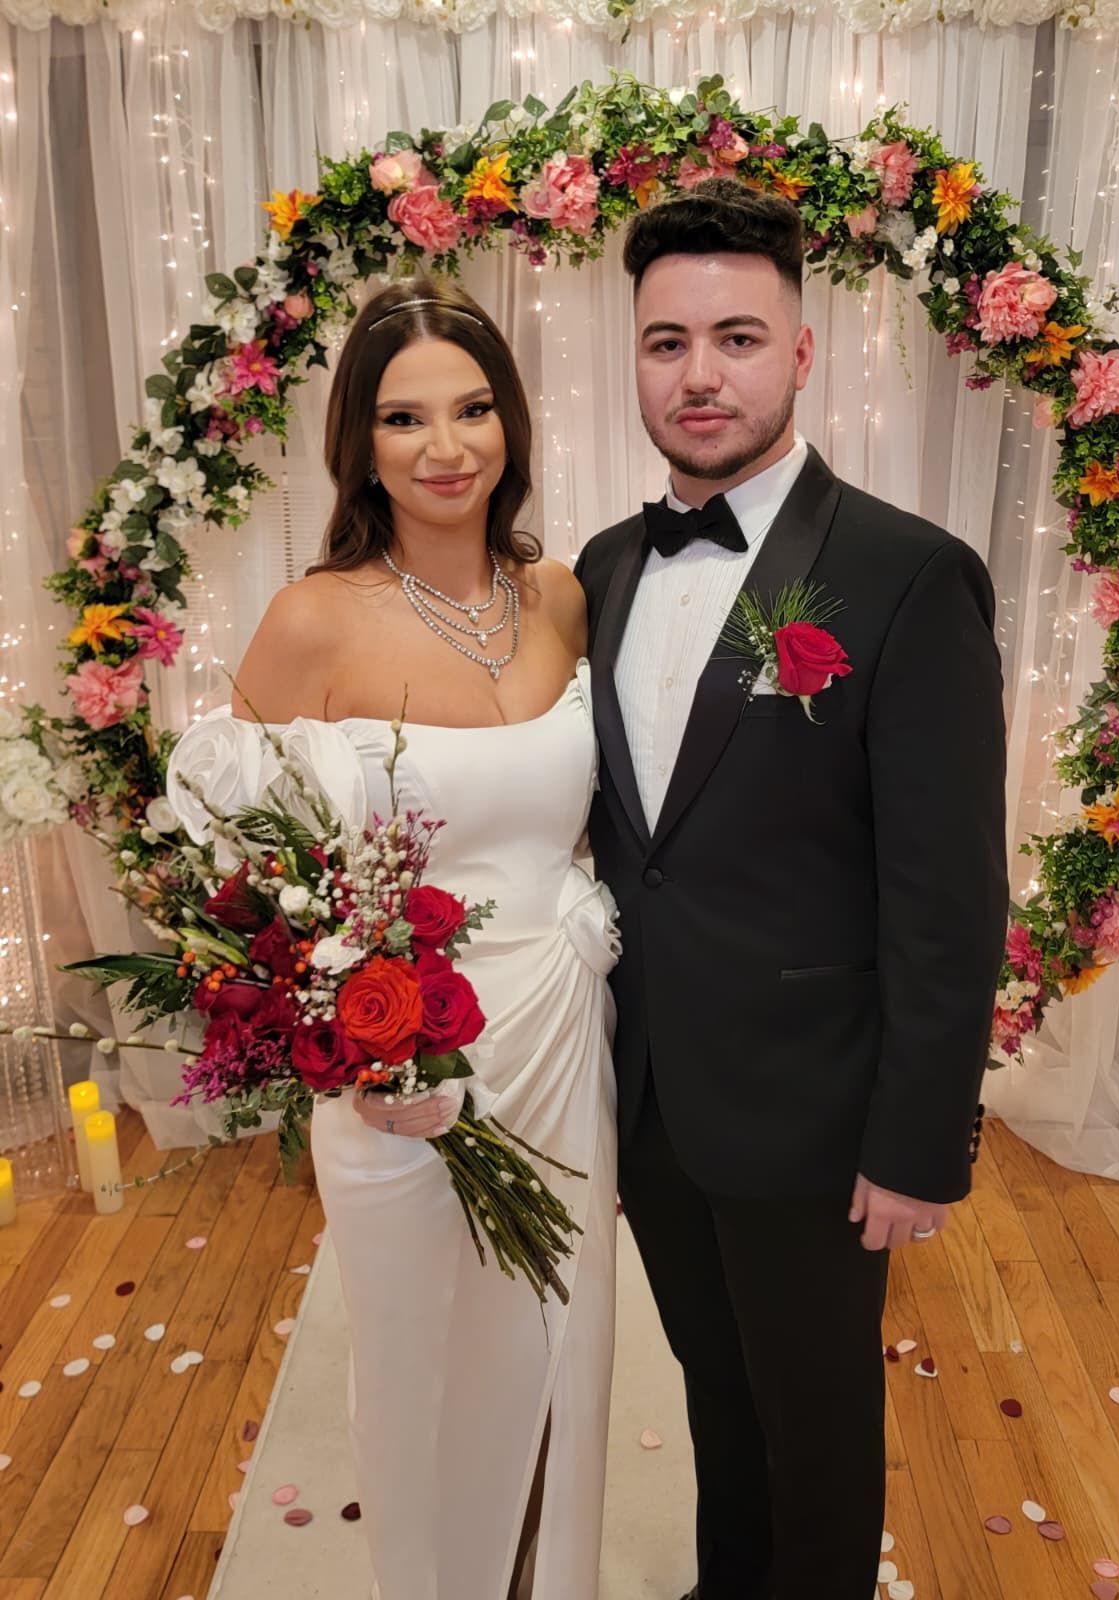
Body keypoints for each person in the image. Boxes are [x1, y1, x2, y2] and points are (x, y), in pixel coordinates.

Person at [572, 177, 1008, 1600]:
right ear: (633, 358)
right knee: (712, 1386)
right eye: (666, 342)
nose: (701, 375)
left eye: (739, 337)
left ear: (803, 354)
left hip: (821, 1112)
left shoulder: (904, 577)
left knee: (818, 1426)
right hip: (652, 1093)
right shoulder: (608, 567)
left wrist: (920, 1139)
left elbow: (946, 895)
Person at [166, 280, 619, 1600]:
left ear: (512, 422)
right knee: (425, 1372)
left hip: (558, 1026)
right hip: (399, 1073)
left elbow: (586, 830)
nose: (447, 446)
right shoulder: (316, 620)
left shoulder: (563, 596)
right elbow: (228, 869)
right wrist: (343, 1043)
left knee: (560, 1347)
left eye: (474, 408)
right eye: (404, 416)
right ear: (359, 442)